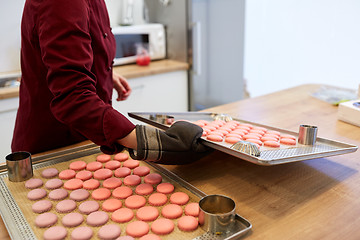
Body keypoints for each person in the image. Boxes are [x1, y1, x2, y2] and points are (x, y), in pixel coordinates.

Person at [12, 0, 209, 164]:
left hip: (83, 140)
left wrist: (103, 72)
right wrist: (150, 142)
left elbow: (74, 51)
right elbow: (73, 95)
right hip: (54, 147)